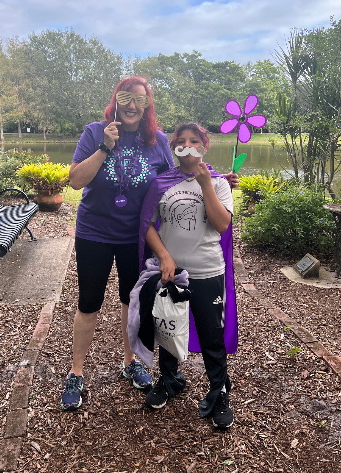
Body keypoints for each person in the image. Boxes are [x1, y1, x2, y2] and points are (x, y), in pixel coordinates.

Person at [60, 79, 238, 411]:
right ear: (116, 100)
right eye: (126, 98)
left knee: (132, 300)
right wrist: (104, 147)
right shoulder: (95, 131)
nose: (132, 106)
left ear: (147, 106)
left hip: (135, 236)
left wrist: (215, 179)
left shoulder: (156, 141)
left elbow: (177, 176)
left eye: (139, 100)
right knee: (88, 303)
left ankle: (131, 362)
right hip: (94, 232)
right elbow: (75, 181)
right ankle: (76, 372)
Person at [138, 123, 236, 429]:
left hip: (208, 272)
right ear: (174, 148)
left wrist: (206, 184)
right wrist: (164, 257)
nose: (188, 146)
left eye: (195, 141)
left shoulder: (218, 183)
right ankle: (170, 380)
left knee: (211, 335)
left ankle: (219, 390)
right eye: (181, 141)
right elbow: (147, 224)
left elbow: (222, 224)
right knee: (168, 328)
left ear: (204, 145)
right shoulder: (161, 183)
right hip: (171, 273)